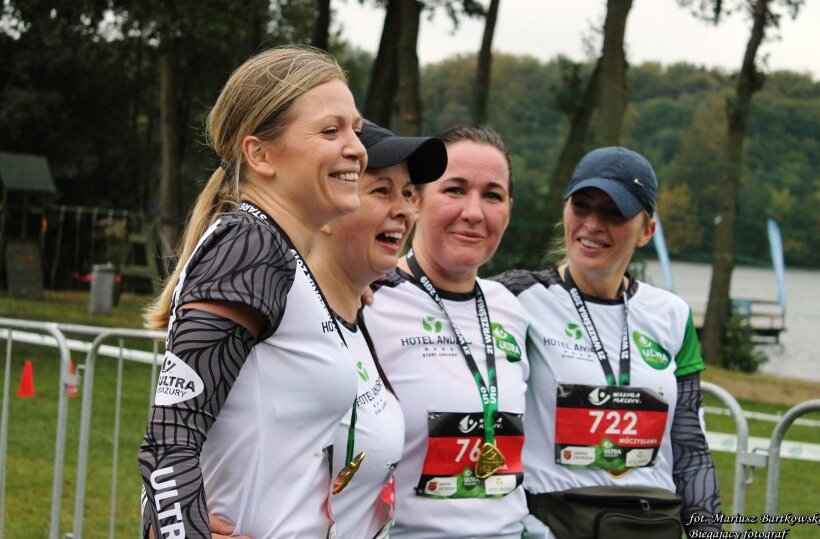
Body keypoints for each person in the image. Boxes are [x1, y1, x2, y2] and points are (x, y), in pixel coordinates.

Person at [138, 46, 367, 538]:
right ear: (259, 154)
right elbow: (170, 436)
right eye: (331, 131)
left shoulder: (281, 255)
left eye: (356, 129)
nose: (357, 149)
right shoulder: (250, 244)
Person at [494, 147, 722, 539]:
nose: (593, 225)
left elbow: (690, 450)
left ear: (647, 230)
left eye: (614, 213)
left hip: (652, 522)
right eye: (582, 206)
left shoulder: (672, 314)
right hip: (557, 523)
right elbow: (435, 292)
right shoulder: (515, 297)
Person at [363, 126, 530, 538]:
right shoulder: (367, 298)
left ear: (509, 209)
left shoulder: (511, 308)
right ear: (415, 200)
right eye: (455, 189)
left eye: (492, 195)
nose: (474, 212)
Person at [313, 120, 447, 538]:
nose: (406, 209)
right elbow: (181, 442)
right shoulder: (277, 320)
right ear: (326, 210)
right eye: (381, 191)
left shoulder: (360, 314)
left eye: (408, 194)